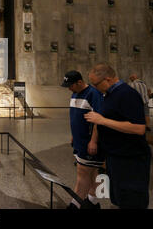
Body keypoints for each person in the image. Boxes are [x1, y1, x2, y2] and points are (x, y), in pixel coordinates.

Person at [85, 63, 151, 209]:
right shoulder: (109, 94)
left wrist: (102, 120)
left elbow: (139, 128)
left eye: (95, 84)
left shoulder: (127, 94)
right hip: (116, 156)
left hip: (131, 159)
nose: (94, 87)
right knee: (119, 197)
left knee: (132, 200)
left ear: (107, 79)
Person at [61, 71, 104, 209]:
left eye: (70, 85)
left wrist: (94, 141)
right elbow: (76, 117)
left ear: (79, 82)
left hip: (88, 142)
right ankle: (93, 201)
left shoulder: (93, 94)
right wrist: (74, 134)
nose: (69, 88)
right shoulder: (74, 94)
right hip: (79, 141)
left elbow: (99, 119)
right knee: (92, 173)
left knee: (82, 173)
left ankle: (75, 205)